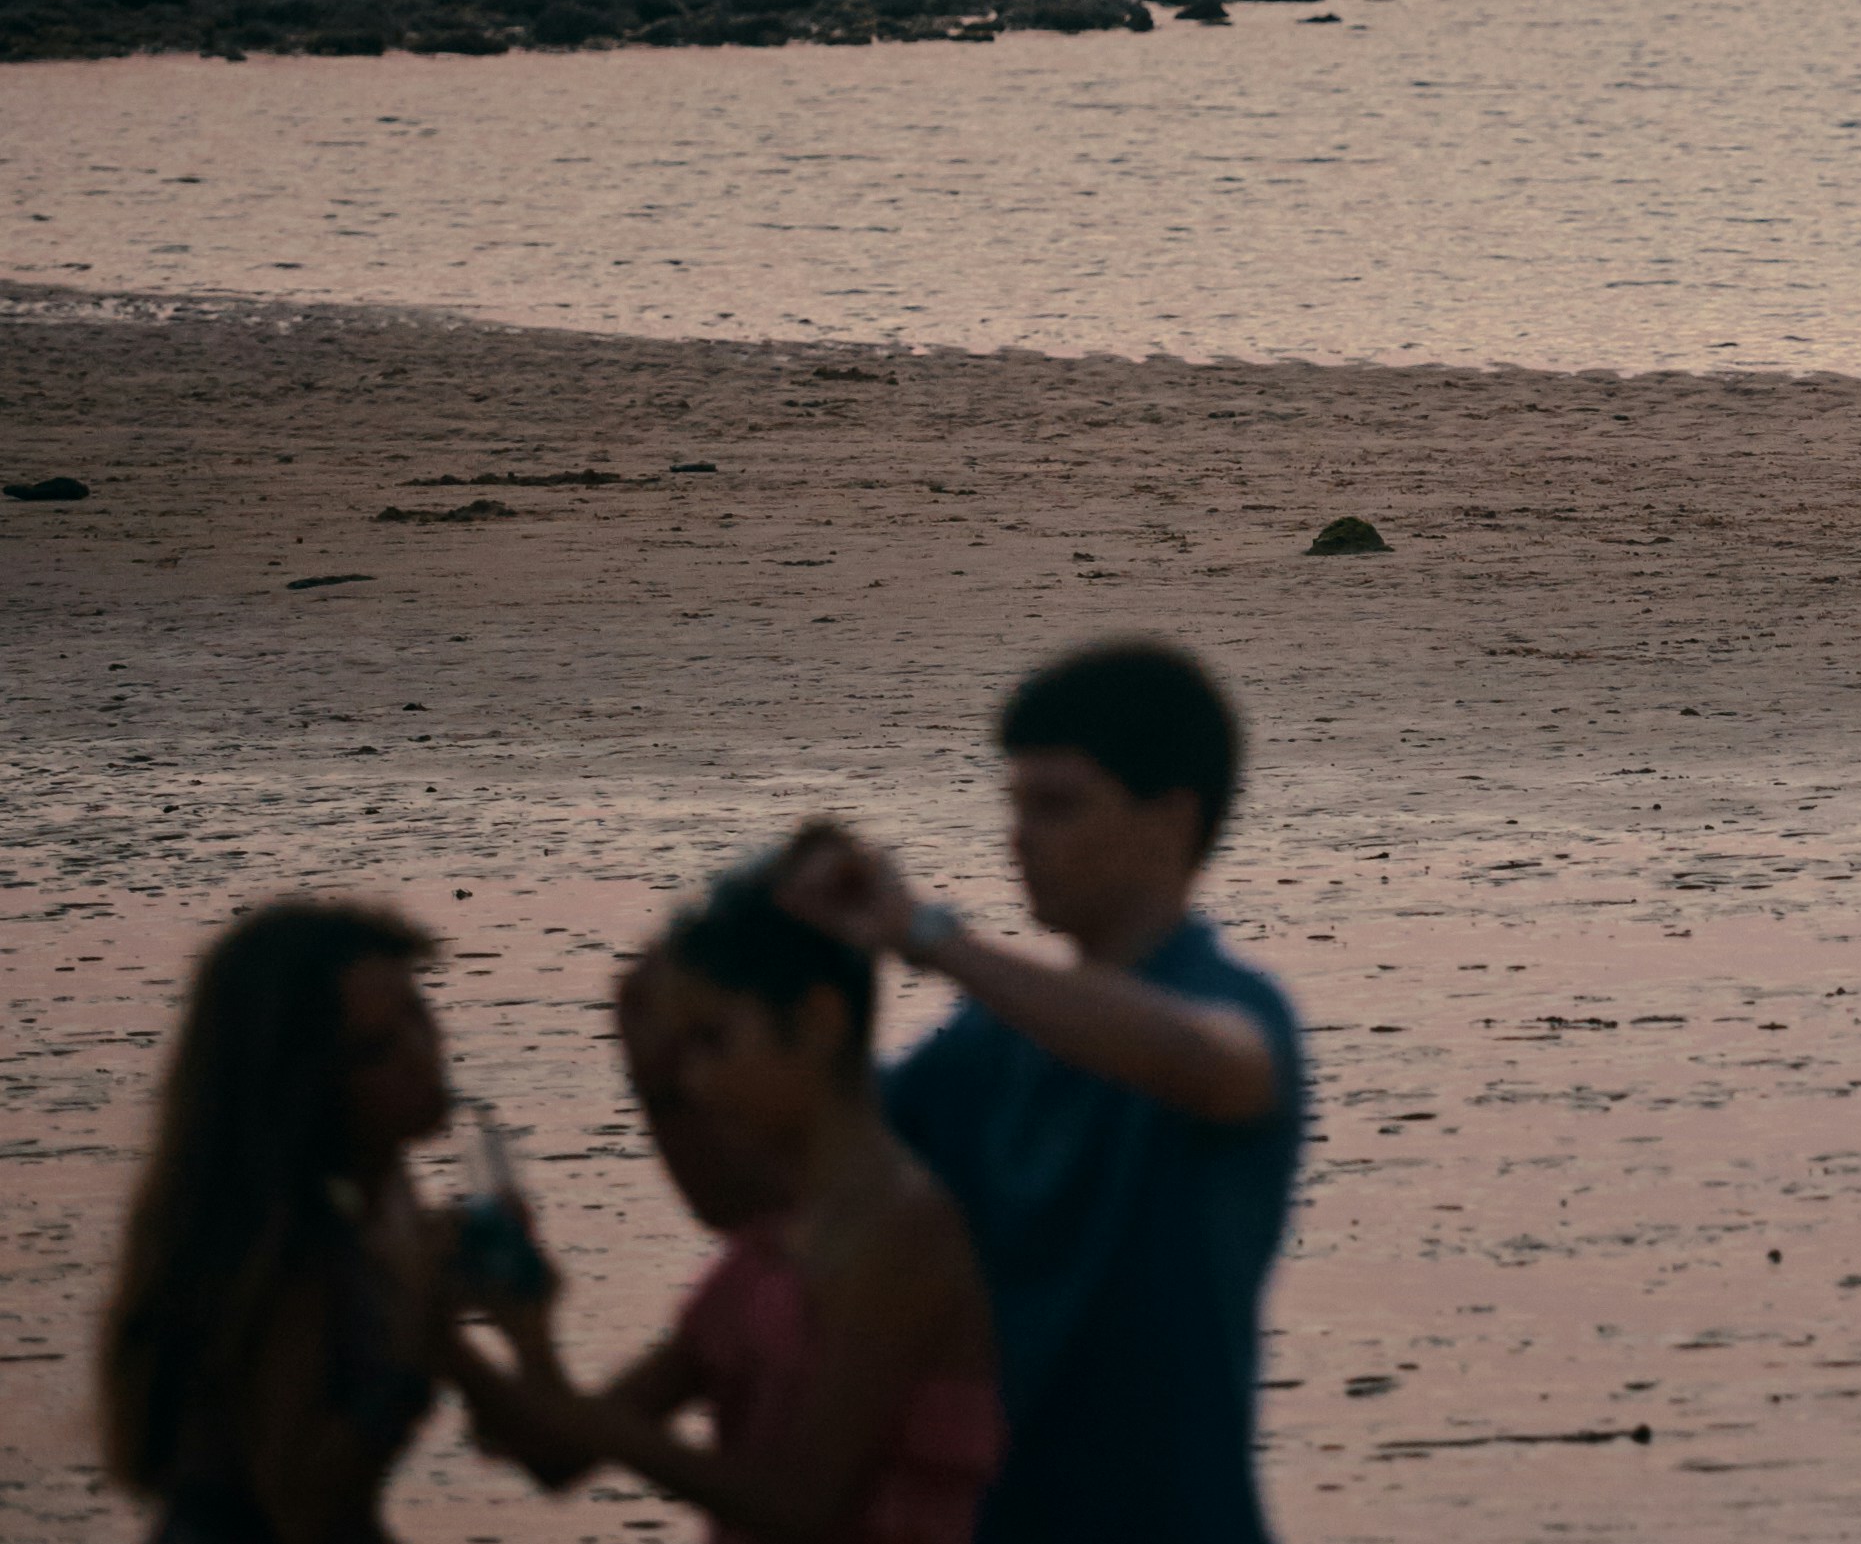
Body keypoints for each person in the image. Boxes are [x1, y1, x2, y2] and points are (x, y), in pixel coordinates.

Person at [776, 640, 1306, 1544]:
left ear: (1171, 820)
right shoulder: (988, 1045)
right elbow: (817, 1153)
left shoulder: (1234, 1006)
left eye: (1058, 806)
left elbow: (1215, 1060)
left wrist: (928, 935)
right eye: (1015, 805)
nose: (1020, 837)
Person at [446, 849, 1003, 1544]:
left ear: (820, 1021)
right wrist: (496, 1326)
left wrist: (576, 1413)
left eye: (714, 1041)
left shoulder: (903, 1231)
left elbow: (799, 1503)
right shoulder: (769, 1248)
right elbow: (555, 1453)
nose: (699, 1084)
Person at [101, 901, 455, 1544]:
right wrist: (417, 1340)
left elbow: (531, 1432)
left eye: (419, 1013)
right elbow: (301, 1504)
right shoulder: (295, 1252)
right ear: (308, 1085)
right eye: (376, 1049)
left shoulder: (385, 1203)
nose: (424, 1053)